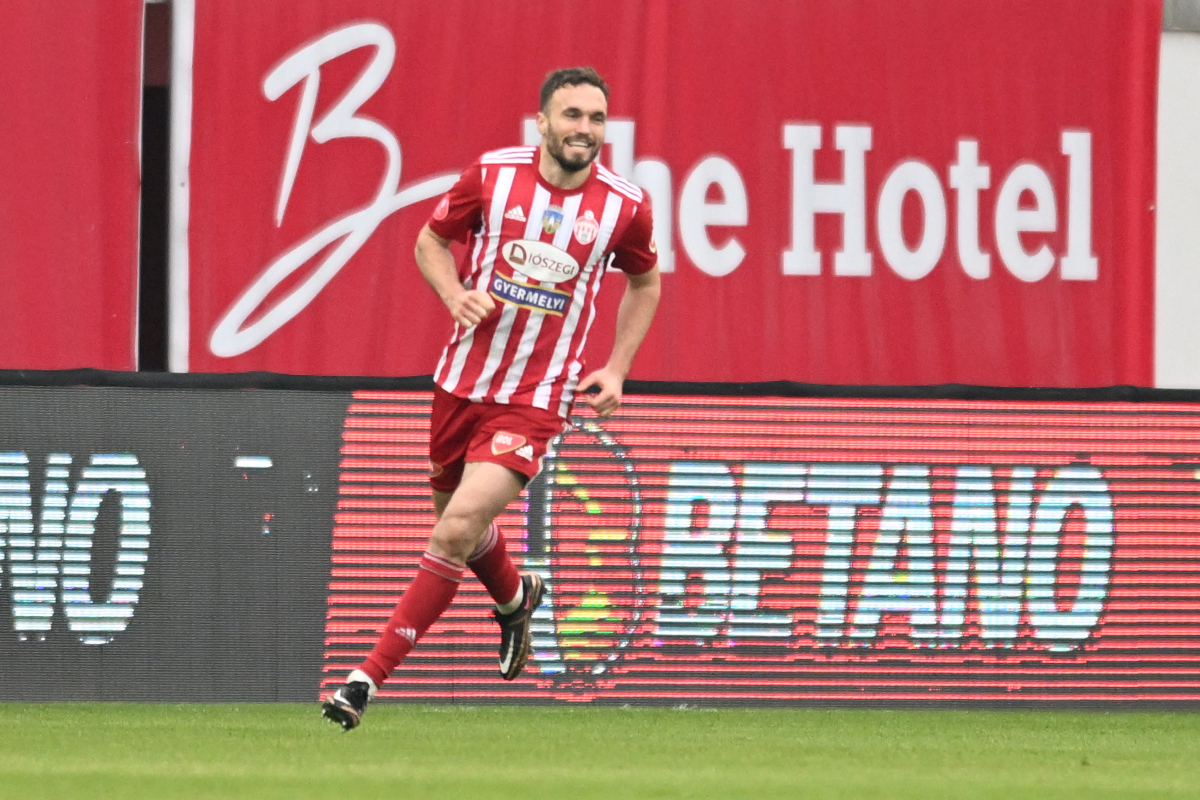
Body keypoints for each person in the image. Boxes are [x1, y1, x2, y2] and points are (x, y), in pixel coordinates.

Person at [322, 66, 661, 730]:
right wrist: (454, 296)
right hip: (459, 383)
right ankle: (515, 596)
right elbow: (429, 241)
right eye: (571, 116)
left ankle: (365, 680)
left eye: (596, 119)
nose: (584, 130)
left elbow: (646, 284)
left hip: (537, 397)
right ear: (541, 122)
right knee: (464, 526)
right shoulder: (492, 175)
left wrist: (618, 368)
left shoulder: (625, 205)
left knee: (453, 531)